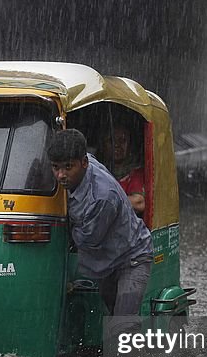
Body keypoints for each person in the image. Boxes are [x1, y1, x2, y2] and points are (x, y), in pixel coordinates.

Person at [48, 129, 153, 318]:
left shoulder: (102, 198)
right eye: (56, 167)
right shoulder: (82, 160)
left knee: (123, 323)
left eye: (68, 167)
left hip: (132, 259)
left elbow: (87, 240)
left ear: (84, 163)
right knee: (113, 316)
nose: (61, 175)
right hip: (107, 262)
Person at [97, 122, 146, 216]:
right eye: (111, 140)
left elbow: (138, 202)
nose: (116, 145)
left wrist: (106, 202)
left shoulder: (136, 172)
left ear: (129, 145)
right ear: (103, 145)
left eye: (122, 140)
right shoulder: (97, 170)